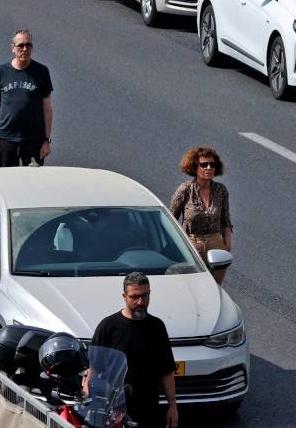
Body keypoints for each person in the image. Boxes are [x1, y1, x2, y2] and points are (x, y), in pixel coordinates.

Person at [89, 272, 178, 428]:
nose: (140, 302)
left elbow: (166, 370)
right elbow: (94, 368)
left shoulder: (156, 327)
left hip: (148, 409)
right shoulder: (108, 326)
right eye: (134, 297)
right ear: (124, 296)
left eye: (145, 296)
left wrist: (173, 406)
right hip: (113, 409)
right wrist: (88, 400)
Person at [169, 146, 233, 284]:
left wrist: (227, 245)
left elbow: (226, 220)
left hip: (216, 243)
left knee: (215, 286)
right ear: (194, 167)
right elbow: (171, 220)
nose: (209, 168)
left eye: (212, 164)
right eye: (204, 164)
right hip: (192, 244)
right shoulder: (185, 189)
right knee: (194, 285)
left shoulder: (220, 190)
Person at [0, 30, 53, 167]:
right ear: (13, 48)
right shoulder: (1, 72)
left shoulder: (41, 72)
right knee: (6, 181)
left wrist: (46, 141)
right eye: (21, 45)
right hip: (6, 139)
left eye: (28, 45)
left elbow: (47, 107)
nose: (25, 49)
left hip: (34, 140)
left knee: (32, 183)